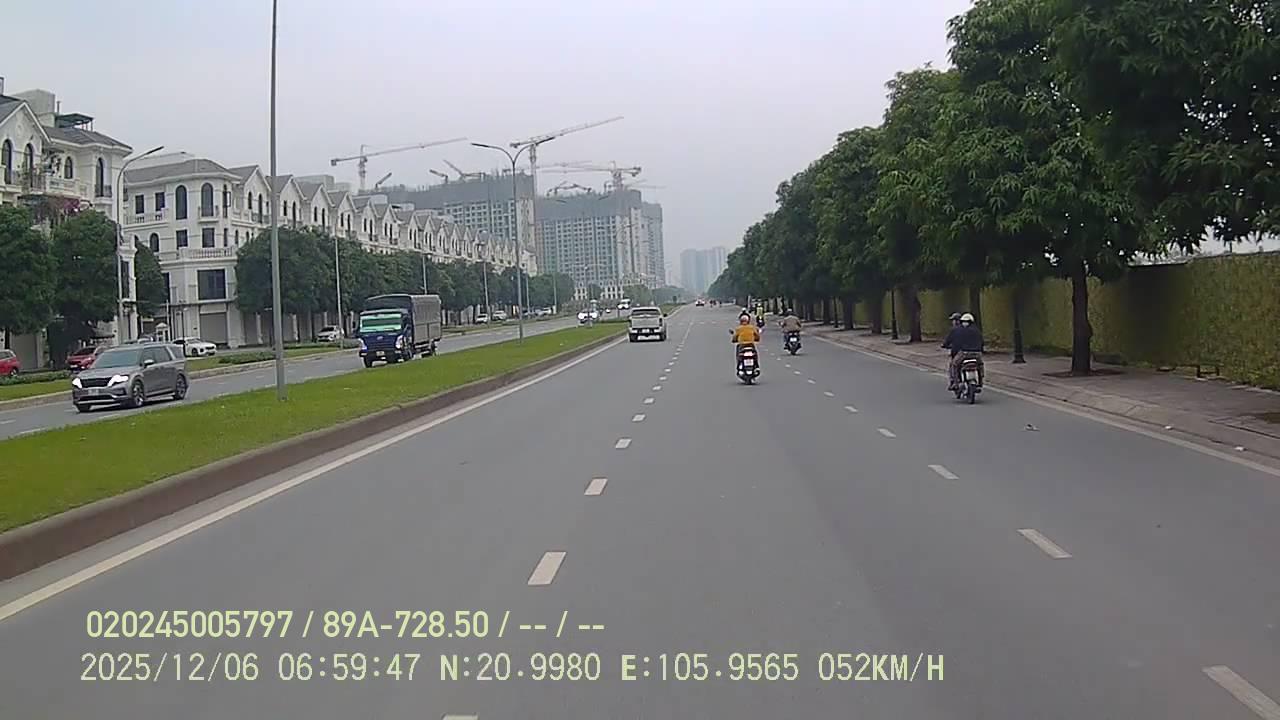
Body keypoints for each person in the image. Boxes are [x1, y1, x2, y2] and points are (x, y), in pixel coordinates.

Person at [941, 312, 984, 389]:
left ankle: (955, 383)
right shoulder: (977, 330)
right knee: (980, 365)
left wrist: (945, 345)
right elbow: (982, 342)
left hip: (964, 353)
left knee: (954, 365)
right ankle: (980, 382)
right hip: (977, 353)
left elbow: (949, 341)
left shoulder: (957, 330)